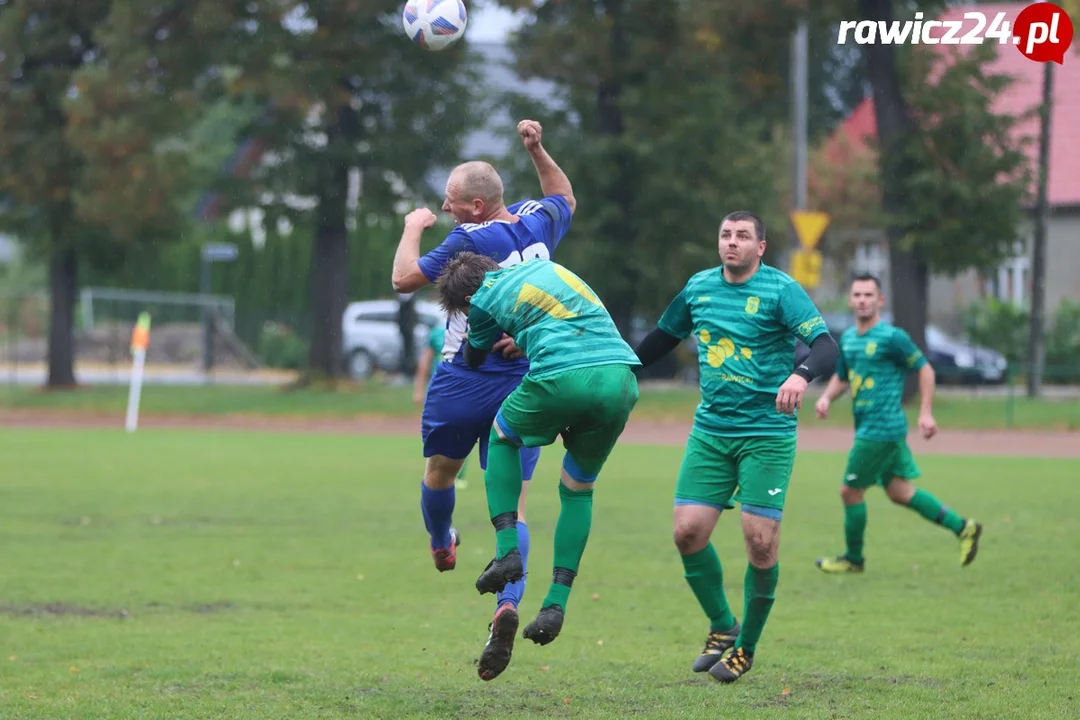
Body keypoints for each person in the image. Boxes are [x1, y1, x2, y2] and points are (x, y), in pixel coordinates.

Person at [634, 211, 838, 684]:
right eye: (726, 234)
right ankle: (723, 625)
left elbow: (826, 346)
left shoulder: (781, 290)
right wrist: (621, 366)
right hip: (711, 432)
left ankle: (746, 648)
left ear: (760, 247)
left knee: (760, 544)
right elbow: (663, 338)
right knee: (687, 534)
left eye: (743, 236)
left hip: (767, 434)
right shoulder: (699, 287)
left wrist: (800, 374)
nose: (732, 243)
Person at [390, 120, 575, 624]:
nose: (446, 206)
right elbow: (564, 195)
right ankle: (508, 603)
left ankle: (441, 541)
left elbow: (404, 278)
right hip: (524, 379)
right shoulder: (538, 221)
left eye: (451, 200)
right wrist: (537, 150)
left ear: (474, 206)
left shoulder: (468, 238)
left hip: (463, 377)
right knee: (512, 503)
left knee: (439, 473)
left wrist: (413, 225)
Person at [435, 252, 640, 681]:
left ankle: (508, 551)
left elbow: (475, 354)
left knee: (502, 435)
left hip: (564, 376)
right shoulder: (549, 269)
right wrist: (525, 336)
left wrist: (489, 336)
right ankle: (555, 604)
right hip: (620, 377)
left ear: (470, 296)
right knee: (578, 487)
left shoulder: (485, 297)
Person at [813, 273, 982, 574]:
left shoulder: (893, 338)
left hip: (882, 428)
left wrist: (926, 413)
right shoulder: (849, 338)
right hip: (869, 427)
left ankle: (854, 559)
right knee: (899, 492)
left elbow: (925, 370)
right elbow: (843, 376)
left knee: (849, 492)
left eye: (868, 295)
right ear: (850, 300)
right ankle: (963, 528)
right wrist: (826, 398)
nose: (862, 300)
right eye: (857, 295)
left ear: (880, 300)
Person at [413, 322, 470, 480]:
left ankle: (456, 474)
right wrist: (419, 390)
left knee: (463, 429)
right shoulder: (437, 332)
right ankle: (437, 472)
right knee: (439, 432)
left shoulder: (475, 327)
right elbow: (425, 362)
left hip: (464, 388)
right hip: (440, 390)